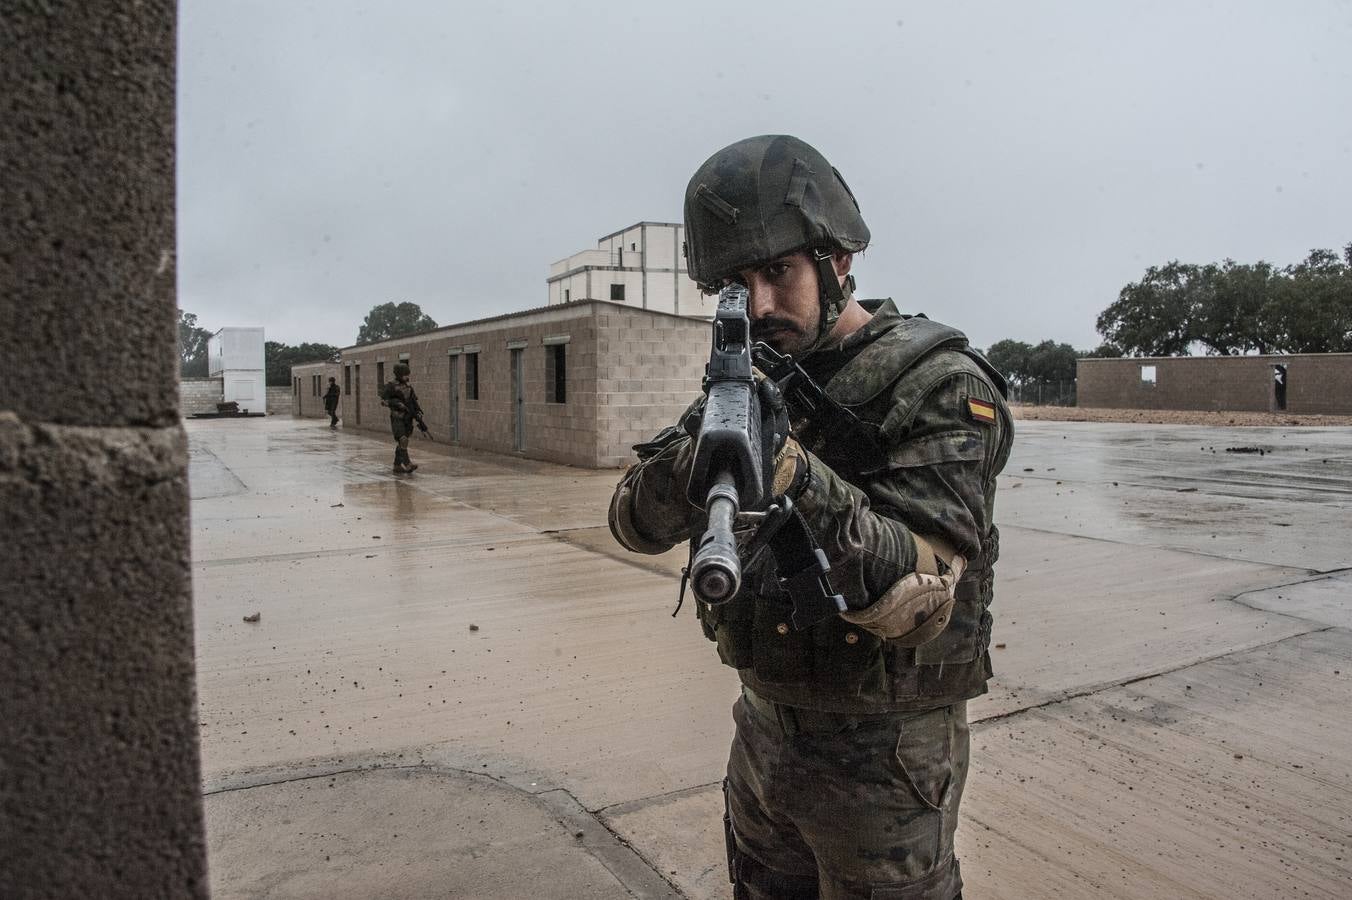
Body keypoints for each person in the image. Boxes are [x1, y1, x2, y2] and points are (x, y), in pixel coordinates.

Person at [608, 135, 1013, 900]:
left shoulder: (936, 383)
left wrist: (790, 468)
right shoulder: (750, 379)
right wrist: (692, 456)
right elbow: (632, 523)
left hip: (885, 756)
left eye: (778, 271)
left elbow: (923, 600)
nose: (759, 304)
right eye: (734, 283)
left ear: (838, 261)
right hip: (764, 732)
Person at [378, 362, 426, 474]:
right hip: (397, 417)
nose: (407, 377)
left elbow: (414, 401)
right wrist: (396, 404)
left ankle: (397, 465)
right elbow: (383, 401)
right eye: (405, 374)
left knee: (403, 442)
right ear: (399, 374)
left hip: (408, 418)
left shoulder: (409, 387)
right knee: (403, 439)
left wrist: (418, 412)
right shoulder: (391, 386)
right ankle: (407, 464)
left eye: (407, 374)